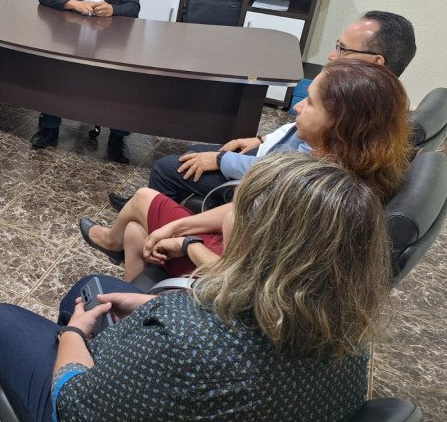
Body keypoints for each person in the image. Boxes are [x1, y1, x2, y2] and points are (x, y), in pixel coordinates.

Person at [0, 153, 390, 422]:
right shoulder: (352, 332)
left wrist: (75, 337)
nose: (224, 224)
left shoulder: (181, 342)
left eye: (236, 214)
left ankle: (3, 419)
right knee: (88, 291)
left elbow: (75, 409)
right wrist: (153, 304)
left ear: (258, 243)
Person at [83, 60, 412, 280]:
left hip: (225, 275)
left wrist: (186, 244)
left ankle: (116, 255)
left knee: (141, 204)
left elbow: (246, 280)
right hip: (231, 251)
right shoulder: (332, 167)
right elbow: (242, 208)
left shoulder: (315, 193)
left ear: (339, 122)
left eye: (309, 102)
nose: (296, 106)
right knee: (136, 233)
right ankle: (130, 320)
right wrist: (179, 226)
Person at [109, 10, 417, 208]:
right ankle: (150, 209)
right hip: (269, 163)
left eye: (342, 48)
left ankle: (152, 213)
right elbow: (296, 144)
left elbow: (288, 169)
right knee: (197, 151)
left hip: (264, 187)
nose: (332, 55)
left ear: (377, 62)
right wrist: (261, 141)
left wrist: (221, 160)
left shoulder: (357, 106)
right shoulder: (375, 101)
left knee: (168, 166)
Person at [35, 0, 141, 163]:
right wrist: (75, 3)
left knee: (119, 78)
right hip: (72, 28)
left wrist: (113, 8)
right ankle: (49, 128)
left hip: (109, 33)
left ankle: (117, 138)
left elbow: (134, 7)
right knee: (54, 65)